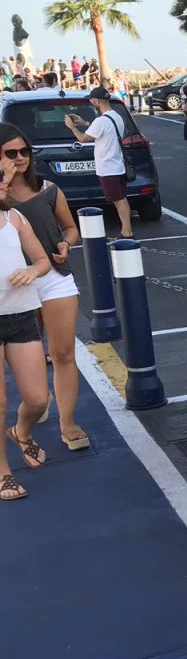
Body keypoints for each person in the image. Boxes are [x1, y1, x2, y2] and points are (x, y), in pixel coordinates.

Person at [0, 124, 87, 451]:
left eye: (24, 151)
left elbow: (69, 228)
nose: (20, 158)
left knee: (63, 352)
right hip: (11, 286)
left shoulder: (49, 189)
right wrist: (3, 182)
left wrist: (66, 244)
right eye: (11, 152)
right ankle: (37, 402)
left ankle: (67, 422)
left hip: (52, 275)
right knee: (28, 355)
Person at [0, 156, 53, 500]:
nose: (5, 182)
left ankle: (21, 431)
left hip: (19, 314)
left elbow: (43, 260)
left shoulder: (14, 219)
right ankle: (3, 471)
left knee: (36, 398)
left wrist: (33, 272)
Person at [63, 86, 133, 239]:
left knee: (118, 200)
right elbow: (103, 132)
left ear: (96, 100)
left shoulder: (101, 121)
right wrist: (85, 123)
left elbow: (82, 139)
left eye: (91, 100)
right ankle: (126, 230)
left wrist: (72, 127)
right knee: (121, 199)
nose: (90, 102)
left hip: (107, 167)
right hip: (117, 165)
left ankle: (127, 232)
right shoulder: (116, 116)